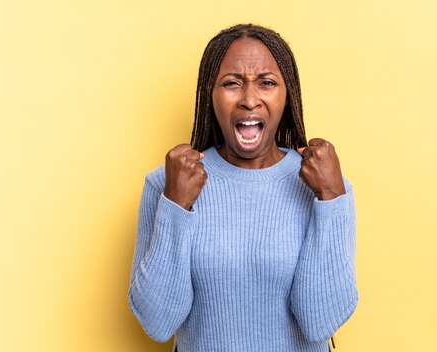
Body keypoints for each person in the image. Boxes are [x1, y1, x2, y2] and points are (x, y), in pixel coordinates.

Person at [128, 23, 358, 352]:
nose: (250, 100)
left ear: (287, 94)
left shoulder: (327, 186)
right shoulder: (167, 184)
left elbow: (319, 321)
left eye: (266, 83)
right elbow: (158, 321)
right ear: (210, 94)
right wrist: (176, 207)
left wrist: (332, 199)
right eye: (232, 84)